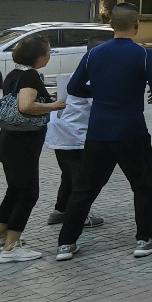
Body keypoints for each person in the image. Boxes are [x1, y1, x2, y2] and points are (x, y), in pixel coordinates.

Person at [56, 3, 152, 261]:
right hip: (132, 131)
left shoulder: (94, 54)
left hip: (98, 133)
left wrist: (98, 92)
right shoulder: (144, 55)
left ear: (111, 24)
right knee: (143, 187)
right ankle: (144, 239)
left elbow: (73, 88)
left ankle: (66, 244)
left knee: (84, 189)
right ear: (137, 24)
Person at [0, 35, 64, 262]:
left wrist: (46, 98)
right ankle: (11, 248)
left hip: (7, 141)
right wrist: (54, 106)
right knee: (28, 193)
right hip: (22, 145)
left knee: (14, 190)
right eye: (48, 52)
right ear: (38, 57)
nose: (49, 56)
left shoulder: (14, 74)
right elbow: (25, 106)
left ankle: (1, 238)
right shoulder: (31, 75)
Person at [44, 79, 105, 229]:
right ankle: (81, 215)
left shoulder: (70, 79)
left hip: (59, 133)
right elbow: (99, 107)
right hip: (75, 135)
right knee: (81, 177)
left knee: (68, 175)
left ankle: (60, 210)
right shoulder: (92, 82)